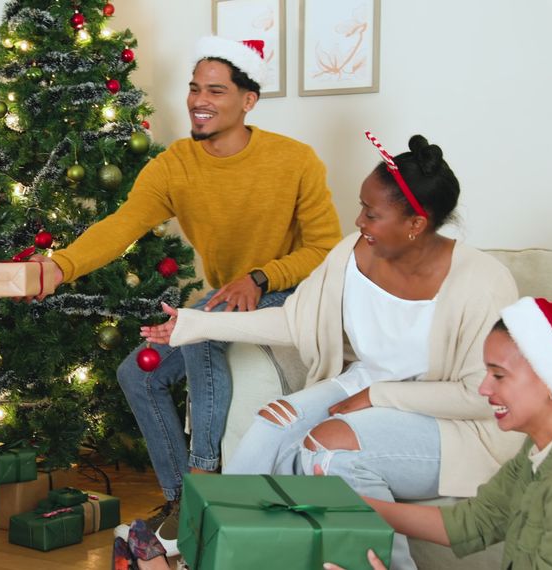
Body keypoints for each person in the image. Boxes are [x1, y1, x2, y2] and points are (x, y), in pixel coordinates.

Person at [142, 133, 524, 569]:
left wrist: (378, 398)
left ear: (415, 224)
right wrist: (195, 325)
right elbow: (294, 320)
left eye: (372, 213)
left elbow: (480, 395)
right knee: (269, 427)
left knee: (326, 452)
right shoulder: (353, 254)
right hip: (364, 383)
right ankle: (215, 551)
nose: (359, 221)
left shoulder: (483, 282)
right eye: (362, 206)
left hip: (448, 421)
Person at [36, 35, 342, 545]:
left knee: (196, 329)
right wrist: (59, 267)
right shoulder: (175, 165)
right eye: (195, 88)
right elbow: (122, 225)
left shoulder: (295, 160)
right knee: (136, 374)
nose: (200, 101)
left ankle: (203, 480)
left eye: (216, 91)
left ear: (248, 100)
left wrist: (261, 277)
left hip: (288, 294)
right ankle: (184, 499)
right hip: (226, 294)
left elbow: (326, 249)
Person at [325, 298, 552, 570]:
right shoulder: (543, 445)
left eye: (499, 375)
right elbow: (476, 521)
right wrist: (355, 507)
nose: (483, 389)